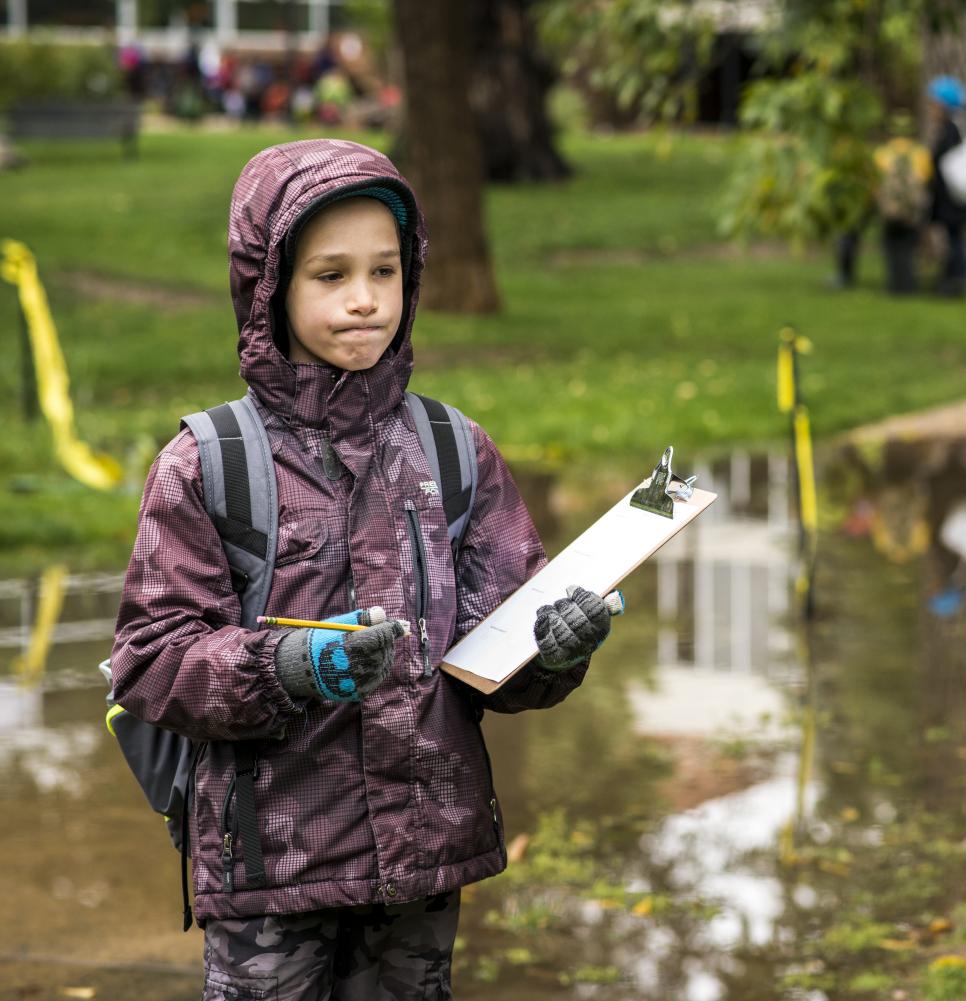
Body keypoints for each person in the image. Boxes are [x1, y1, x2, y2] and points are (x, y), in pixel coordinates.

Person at [110, 139, 615, 999]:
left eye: (385, 271)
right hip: (271, 871)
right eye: (331, 275)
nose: (364, 300)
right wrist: (288, 665)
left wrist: (555, 647)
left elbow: (497, 657)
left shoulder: (452, 449)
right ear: (268, 287)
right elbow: (153, 660)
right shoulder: (211, 462)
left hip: (422, 866)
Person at [926, 75, 966, 298]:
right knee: (954, 238)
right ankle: (953, 277)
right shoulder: (961, 122)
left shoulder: (954, 127)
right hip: (955, 196)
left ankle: (958, 279)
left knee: (956, 239)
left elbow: (941, 158)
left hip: (954, 197)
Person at [871, 116, 934, 295]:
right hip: (911, 210)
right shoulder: (919, 153)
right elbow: (927, 177)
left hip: (890, 209)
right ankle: (909, 284)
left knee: (891, 246)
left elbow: (876, 181)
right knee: (909, 246)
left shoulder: (883, 153)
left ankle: (894, 284)